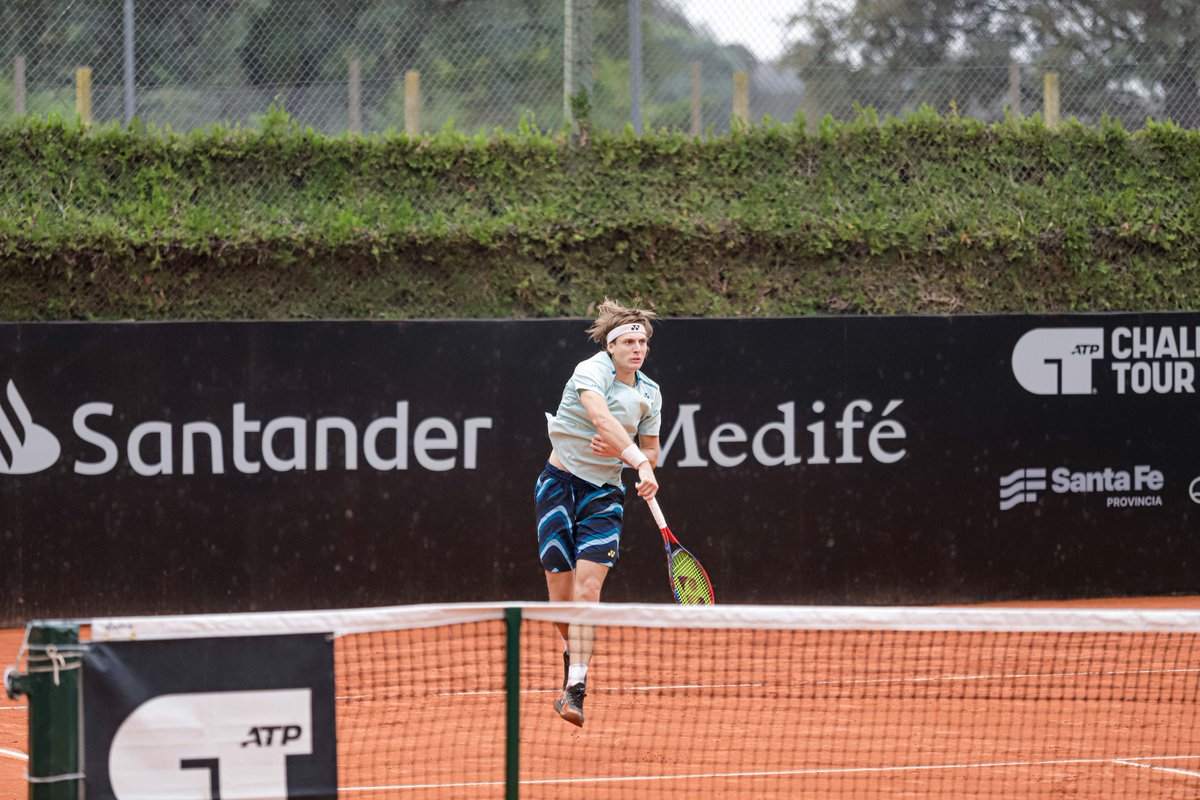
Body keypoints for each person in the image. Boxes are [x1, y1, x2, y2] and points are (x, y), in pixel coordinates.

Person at [535, 299, 663, 727]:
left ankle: (575, 688)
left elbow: (651, 451)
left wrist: (640, 463)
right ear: (610, 346)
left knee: (587, 594)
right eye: (628, 340)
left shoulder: (650, 393)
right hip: (558, 485)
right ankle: (575, 653)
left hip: (604, 495)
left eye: (642, 341)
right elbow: (601, 418)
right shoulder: (589, 371)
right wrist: (633, 457)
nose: (637, 347)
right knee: (560, 604)